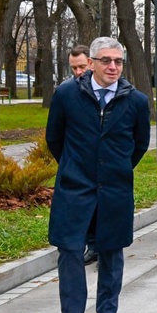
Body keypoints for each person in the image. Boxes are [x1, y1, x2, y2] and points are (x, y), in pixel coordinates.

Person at [45, 36, 151, 313]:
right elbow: (54, 138)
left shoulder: (136, 101)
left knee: (110, 251)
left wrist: (115, 169)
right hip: (74, 188)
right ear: (91, 63)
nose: (113, 66)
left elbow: (139, 145)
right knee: (70, 250)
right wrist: (76, 168)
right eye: (106, 60)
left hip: (114, 190)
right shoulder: (67, 94)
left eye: (118, 61)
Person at [64, 44, 98, 266]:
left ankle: (103, 247)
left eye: (82, 67)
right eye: (74, 68)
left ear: (91, 64)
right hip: (78, 164)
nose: (78, 72)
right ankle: (91, 245)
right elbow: (56, 135)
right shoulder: (66, 92)